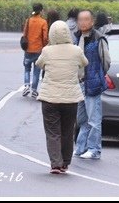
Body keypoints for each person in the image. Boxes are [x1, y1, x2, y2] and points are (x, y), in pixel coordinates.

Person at [37, 20, 88, 174]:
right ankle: (65, 162)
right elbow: (85, 63)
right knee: (67, 131)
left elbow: (39, 64)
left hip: (49, 98)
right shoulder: (76, 50)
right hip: (70, 99)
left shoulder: (47, 51)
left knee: (52, 132)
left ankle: (55, 163)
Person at [74, 10, 111, 160]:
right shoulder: (77, 38)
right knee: (82, 119)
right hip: (79, 84)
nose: (83, 22)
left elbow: (106, 61)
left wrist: (98, 75)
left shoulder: (99, 38)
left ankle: (94, 149)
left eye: (86, 20)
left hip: (93, 83)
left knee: (94, 120)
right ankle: (81, 147)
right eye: (80, 20)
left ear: (92, 21)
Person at [22, 3, 49, 99]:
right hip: (38, 50)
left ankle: (26, 86)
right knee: (36, 71)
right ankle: (34, 90)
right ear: (41, 11)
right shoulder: (43, 22)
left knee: (27, 68)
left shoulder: (28, 20)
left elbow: (24, 34)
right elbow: (45, 37)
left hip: (28, 49)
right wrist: (45, 46)